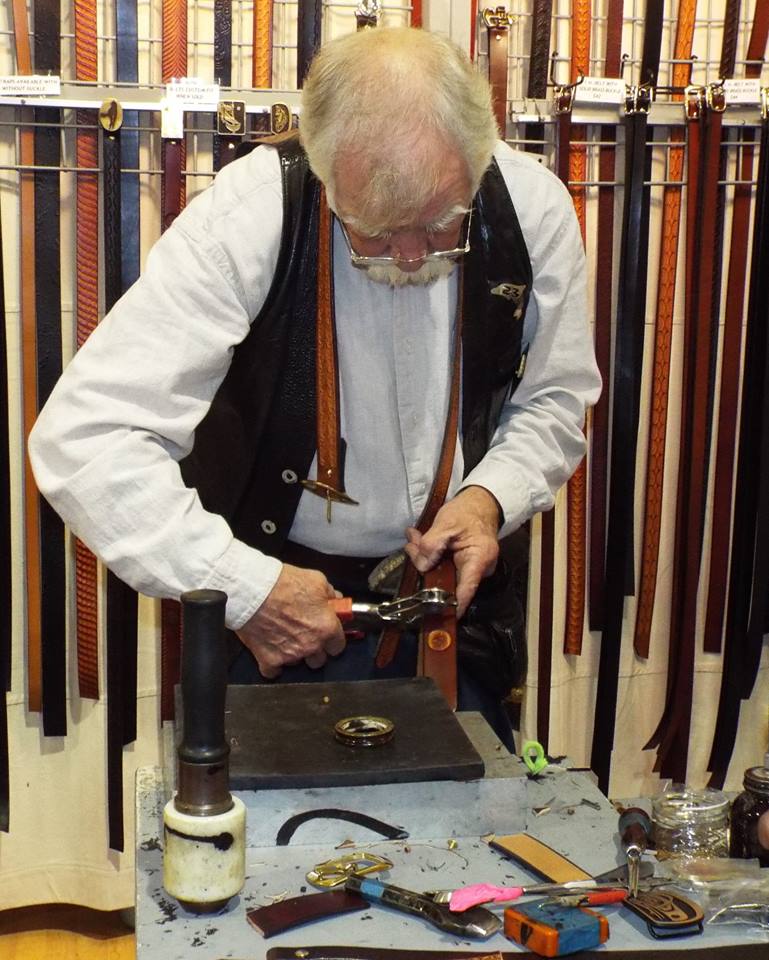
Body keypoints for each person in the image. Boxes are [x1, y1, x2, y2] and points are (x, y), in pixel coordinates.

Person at [29, 26, 600, 748]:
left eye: (439, 224)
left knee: (468, 851)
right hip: (281, 628)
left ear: (479, 154)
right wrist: (243, 586)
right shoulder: (247, 216)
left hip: (458, 623)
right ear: (324, 167)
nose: (411, 256)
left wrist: (491, 498)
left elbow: (554, 397)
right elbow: (84, 438)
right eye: (374, 231)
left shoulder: (531, 209)